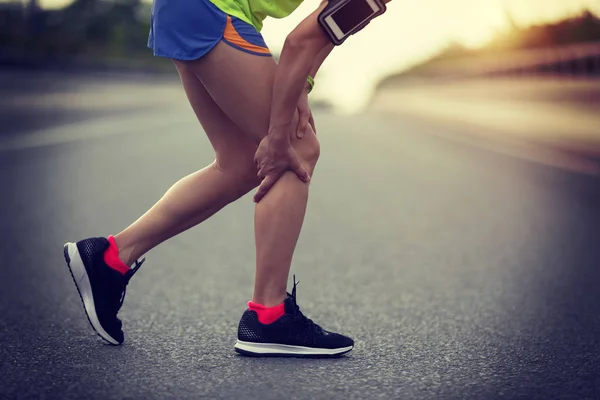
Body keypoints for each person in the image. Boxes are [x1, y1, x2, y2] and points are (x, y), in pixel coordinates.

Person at [63, 0, 387, 357]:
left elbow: (324, 31)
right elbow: (301, 41)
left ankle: (109, 258)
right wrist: (278, 132)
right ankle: (268, 316)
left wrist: (301, 87)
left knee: (242, 163)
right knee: (296, 148)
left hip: (192, 10)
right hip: (211, 11)